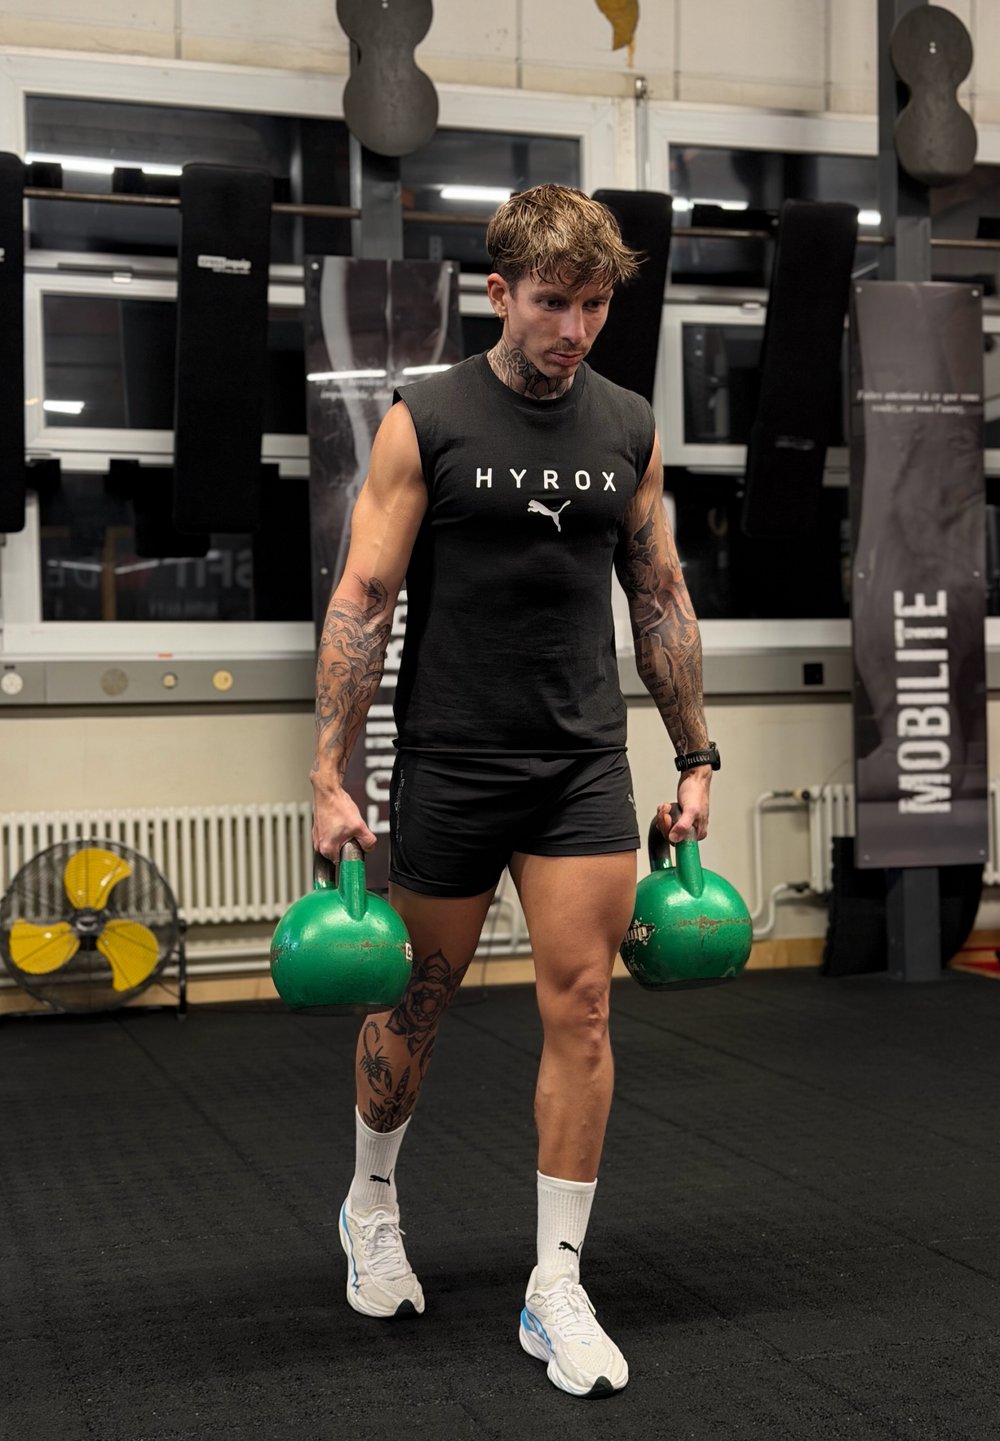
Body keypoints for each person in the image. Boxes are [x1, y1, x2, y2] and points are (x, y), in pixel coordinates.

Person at [310, 183, 716, 1399]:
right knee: (416, 998)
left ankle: (557, 1281)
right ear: (499, 292)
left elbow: (659, 595)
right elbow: (363, 599)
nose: (574, 328)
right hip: (451, 758)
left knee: (584, 1007)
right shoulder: (425, 419)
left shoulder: (627, 425)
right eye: (552, 303)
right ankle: (370, 1200)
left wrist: (694, 755)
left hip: (580, 764)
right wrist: (328, 772)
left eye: (593, 305)